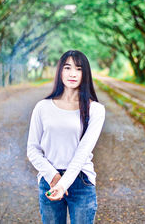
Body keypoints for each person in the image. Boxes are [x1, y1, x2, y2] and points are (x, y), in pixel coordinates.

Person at [27, 50, 105, 224]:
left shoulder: (95, 110)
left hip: (81, 181)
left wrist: (63, 184)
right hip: (49, 180)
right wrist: (53, 177)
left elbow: (83, 151)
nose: (72, 73)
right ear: (60, 71)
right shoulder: (42, 107)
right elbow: (32, 149)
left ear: (85, 74)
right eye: (67, 67)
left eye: (78, 69)